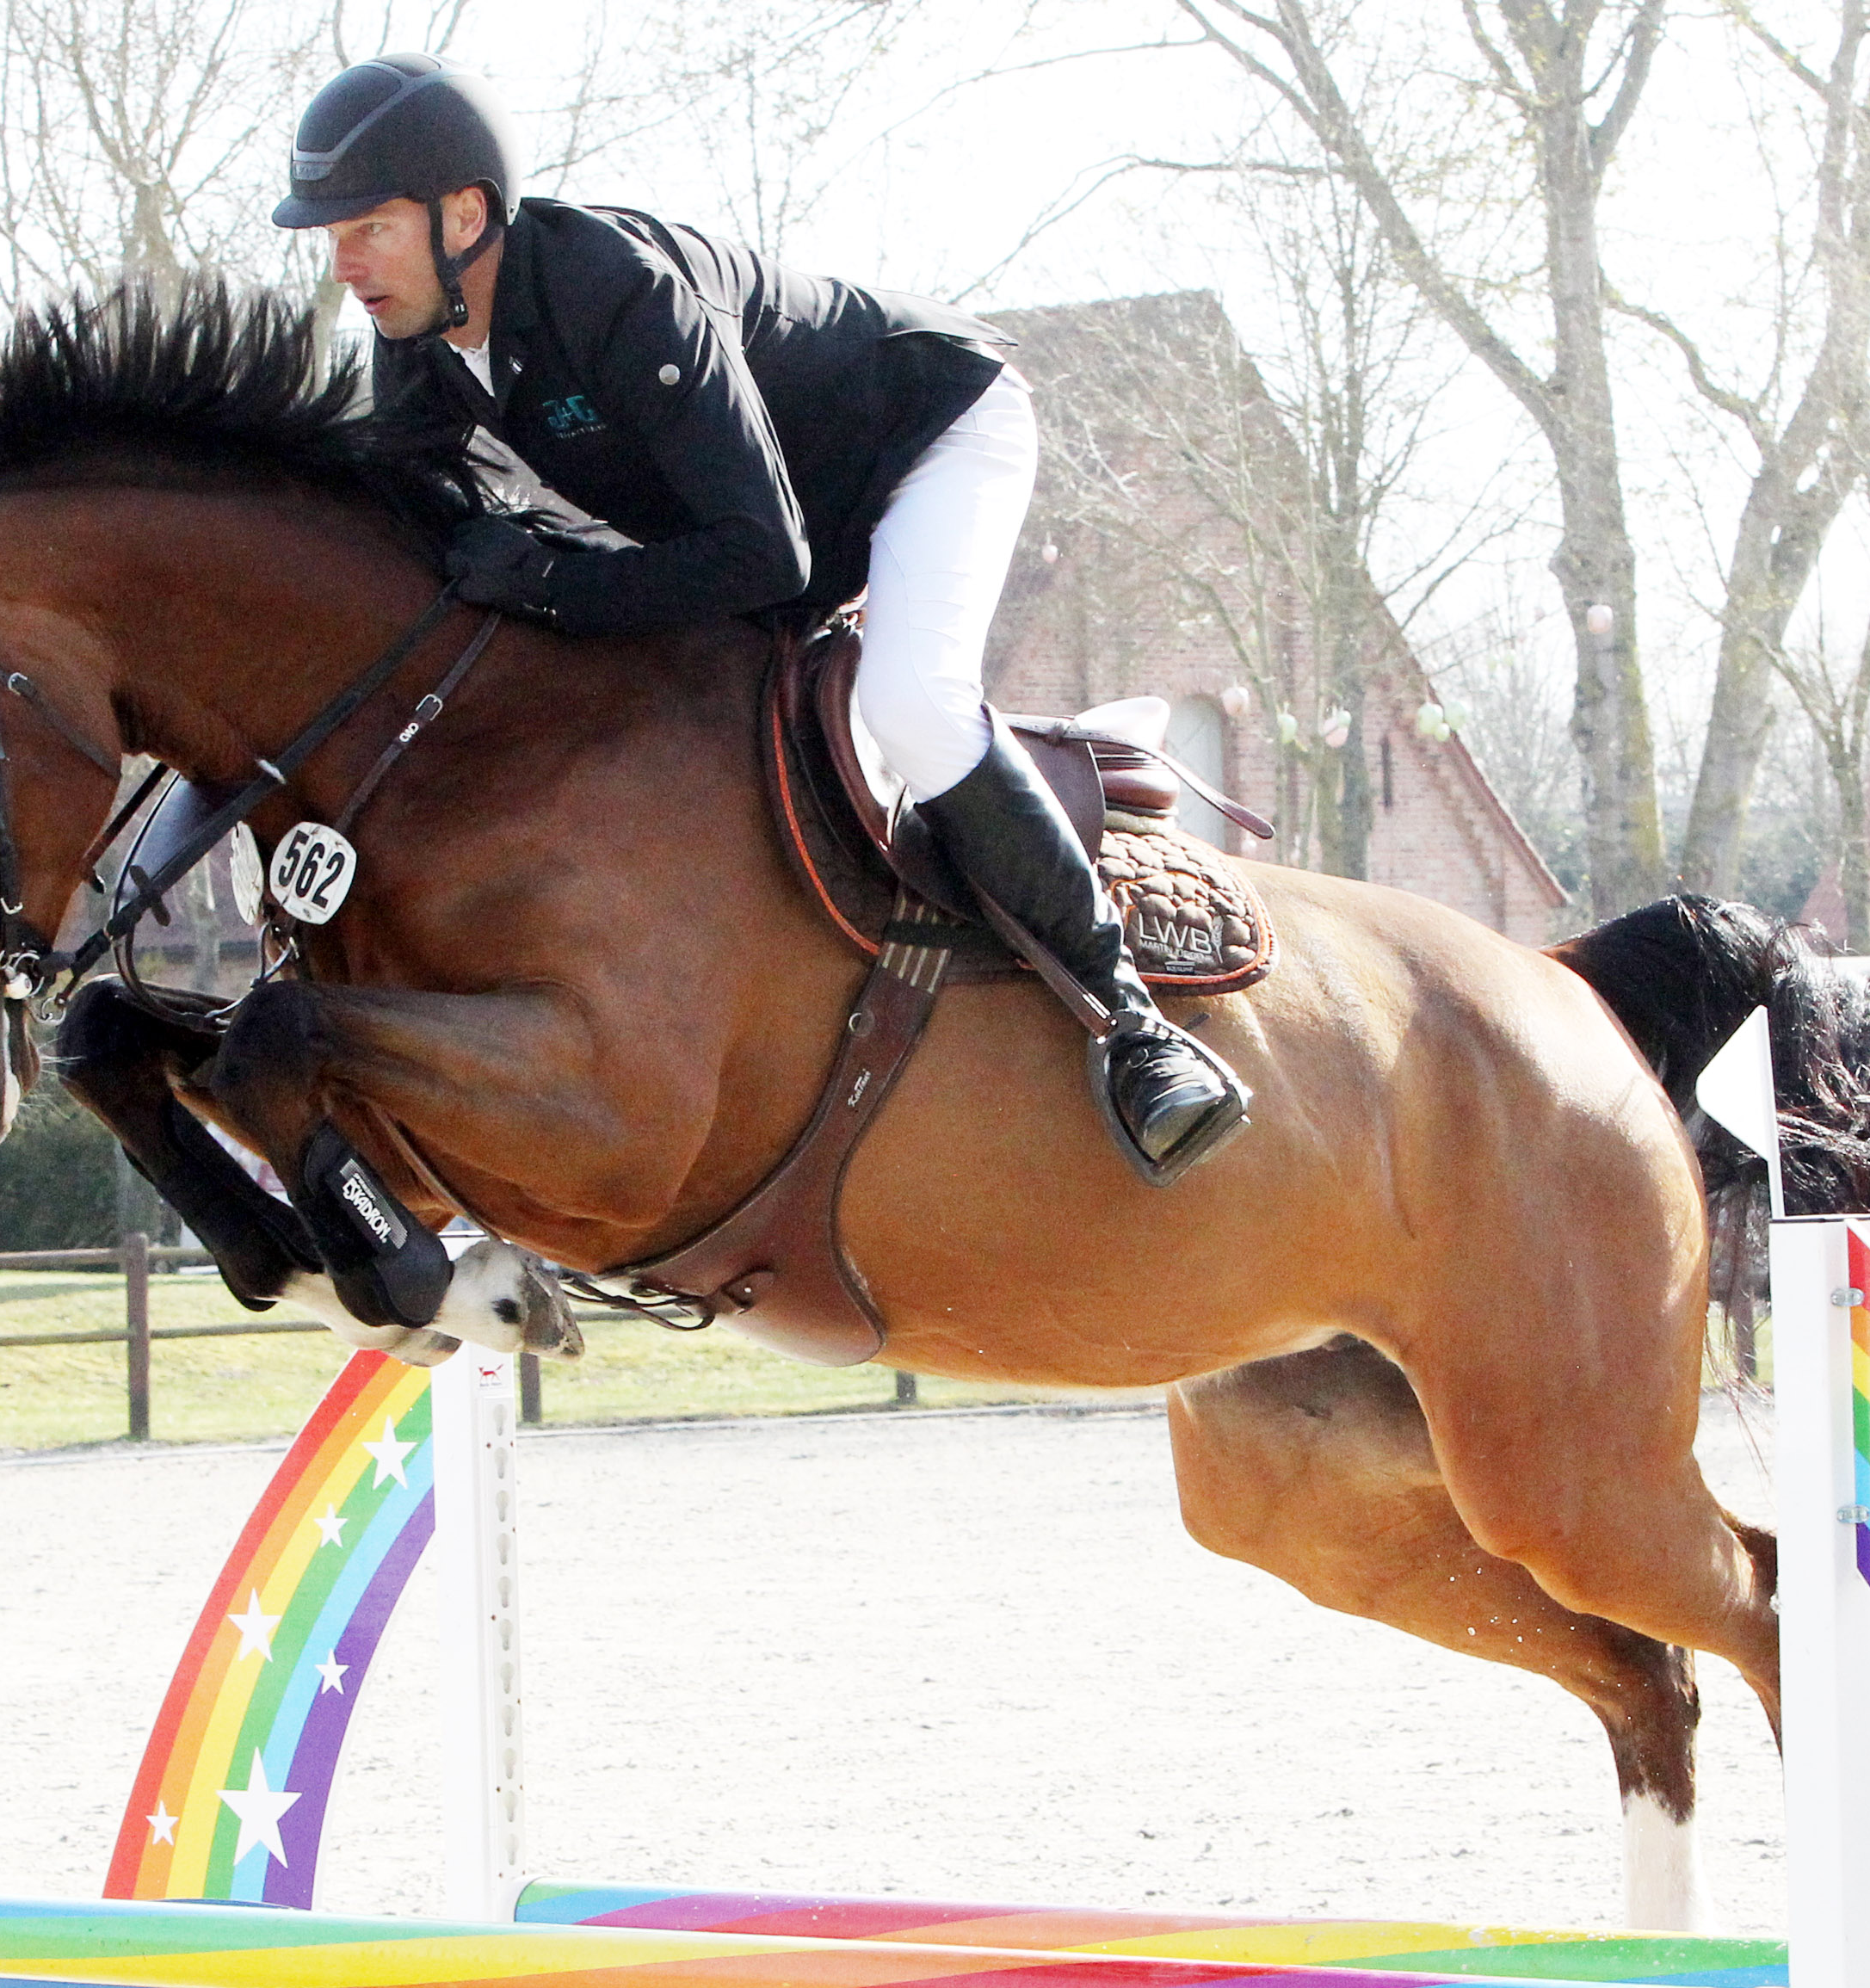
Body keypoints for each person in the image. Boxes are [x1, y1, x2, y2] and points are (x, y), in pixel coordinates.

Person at [271, 53, 1249, 1181]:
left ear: (465, 215)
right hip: (780, 532)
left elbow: (758, 555)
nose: (342, 264)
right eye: (331, 235)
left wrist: (544, 581)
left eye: (367, 229)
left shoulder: (620, 294)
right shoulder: (418, 353)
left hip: (927, 438)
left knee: (911, 703)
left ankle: (1136, 1035)